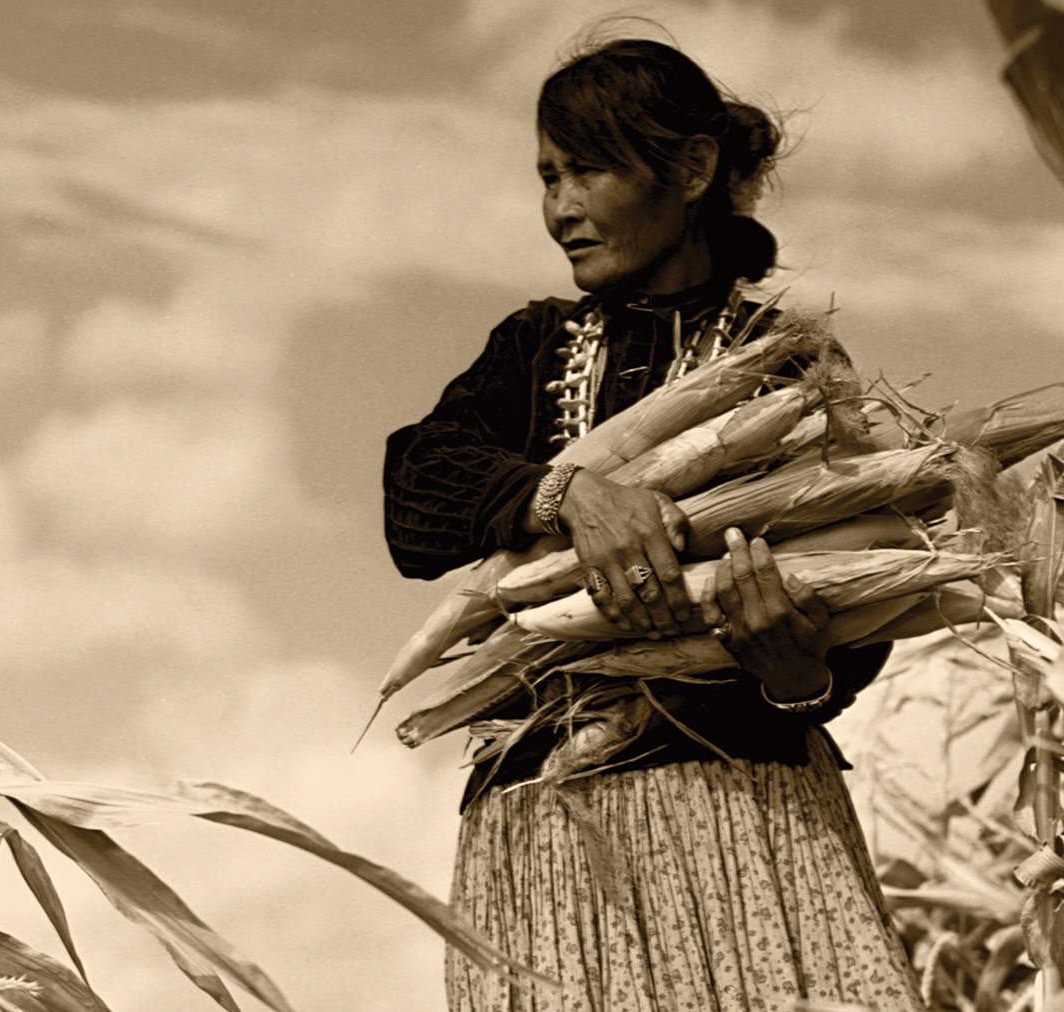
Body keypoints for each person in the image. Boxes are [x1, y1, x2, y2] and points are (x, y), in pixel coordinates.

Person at [382, 35, 923, 1012]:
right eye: (547, 177)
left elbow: (859, 612)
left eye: (585, 170)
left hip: (757, 820)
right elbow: (417, 491)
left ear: (692, 169)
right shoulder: (536, 347)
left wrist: (796, 673)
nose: (559, 210)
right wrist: (565, 493)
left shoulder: (792, 370)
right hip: (549, 831)